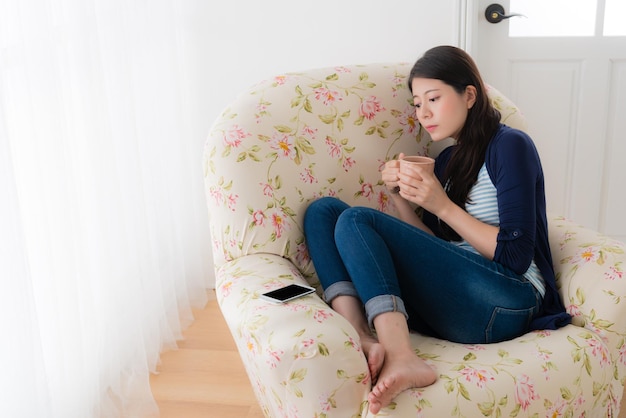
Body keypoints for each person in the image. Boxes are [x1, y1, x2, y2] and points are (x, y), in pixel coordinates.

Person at [303, 45, 571, 415]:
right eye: (417, 103)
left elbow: (516, 254)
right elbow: (436, 248)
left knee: (357, 219)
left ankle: (403, 358)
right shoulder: (447, 160)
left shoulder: (510, 146)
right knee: (324, 212)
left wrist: (440, 204)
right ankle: (361, 337)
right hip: (459, 296)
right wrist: (400, 199)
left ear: (469, 95)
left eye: (434, 98)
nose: (423, 113)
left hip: (509, 299)